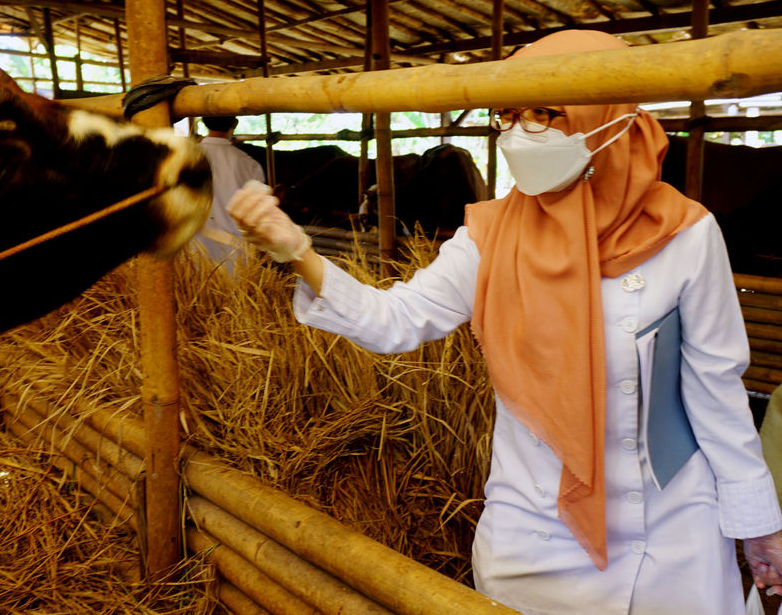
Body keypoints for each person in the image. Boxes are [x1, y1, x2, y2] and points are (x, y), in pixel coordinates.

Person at [227, 30, 782, 614]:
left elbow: (714, 391)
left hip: (671, 530)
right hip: (536, 533)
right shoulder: (490, 237)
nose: (523, 133)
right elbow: (395, 319)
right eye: (510, 115)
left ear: (613, 116)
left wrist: (758, 525)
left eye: (548, 113)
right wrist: (298, 251)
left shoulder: (687, 235)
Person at [191, 115, 266, 273]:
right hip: (233, 254)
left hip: (191, 249)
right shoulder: (249, 164)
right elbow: (257, 216)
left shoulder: (186, 157)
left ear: (203, 122)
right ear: (235, 123)